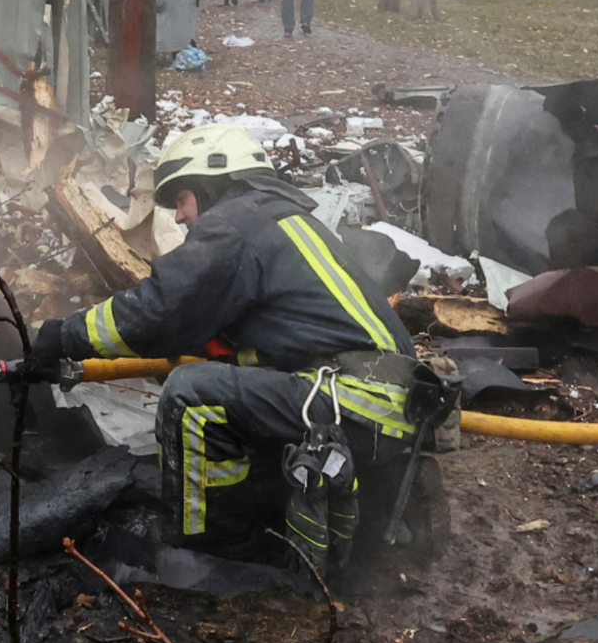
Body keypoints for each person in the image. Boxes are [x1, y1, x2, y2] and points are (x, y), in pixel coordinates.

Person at [30, 125, 420, 565]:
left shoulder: (236, 221)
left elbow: (161, 308)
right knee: (218, 384)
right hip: (377, 405)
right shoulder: (279, 219)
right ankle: (262, 515)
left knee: (191, 395)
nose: (178, 217)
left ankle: (214, 546)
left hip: (355, 403)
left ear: (211, 185)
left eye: (180, 199)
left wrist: (64, 335)